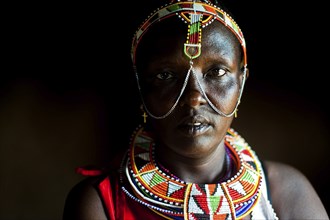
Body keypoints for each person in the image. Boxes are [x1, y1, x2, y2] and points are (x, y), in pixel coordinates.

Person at [63, 0, 329, 219]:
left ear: (241, 83)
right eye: (166, 75)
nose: (193, 99)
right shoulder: (100, 203)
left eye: (217, 72)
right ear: (142, 89)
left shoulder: (285, 191)